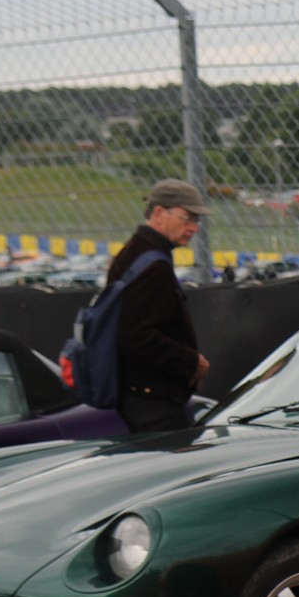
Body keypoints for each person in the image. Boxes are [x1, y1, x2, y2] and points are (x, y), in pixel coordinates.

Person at [105, 179, 211, 432]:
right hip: (152, 403)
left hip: (140, 397)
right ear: (159, 213)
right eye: (187, 218)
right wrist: (192, 361)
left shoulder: (138, 252)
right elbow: (135, 336)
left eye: (197, 220)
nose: (194, 228)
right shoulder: (154, 264)